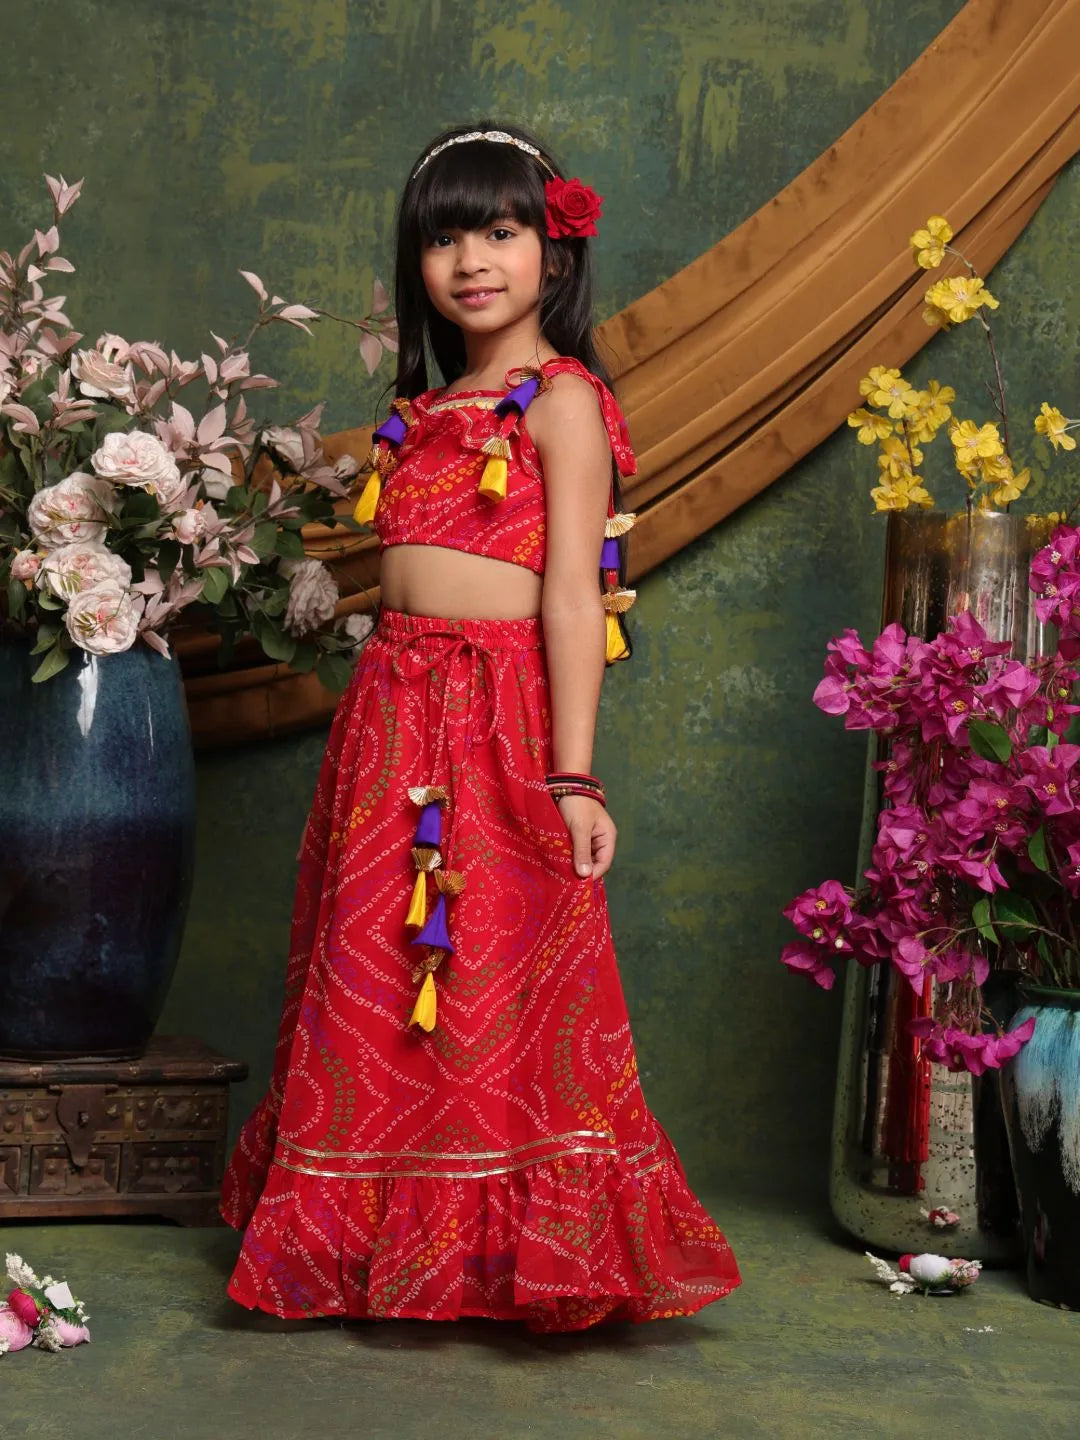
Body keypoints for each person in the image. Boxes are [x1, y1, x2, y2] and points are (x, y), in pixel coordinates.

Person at [221, 122, 741, 1331]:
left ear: (552, 252)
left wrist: (576, 777)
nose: (472, 260)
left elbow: (571, 592)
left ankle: (517, 1252)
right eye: (444, 236)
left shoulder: (562, 402)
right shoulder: (424, 405)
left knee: (500, 983)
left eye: (500, 232)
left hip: (499, 719)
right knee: (388, 979)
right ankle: (382, 1242)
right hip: (391, 716)